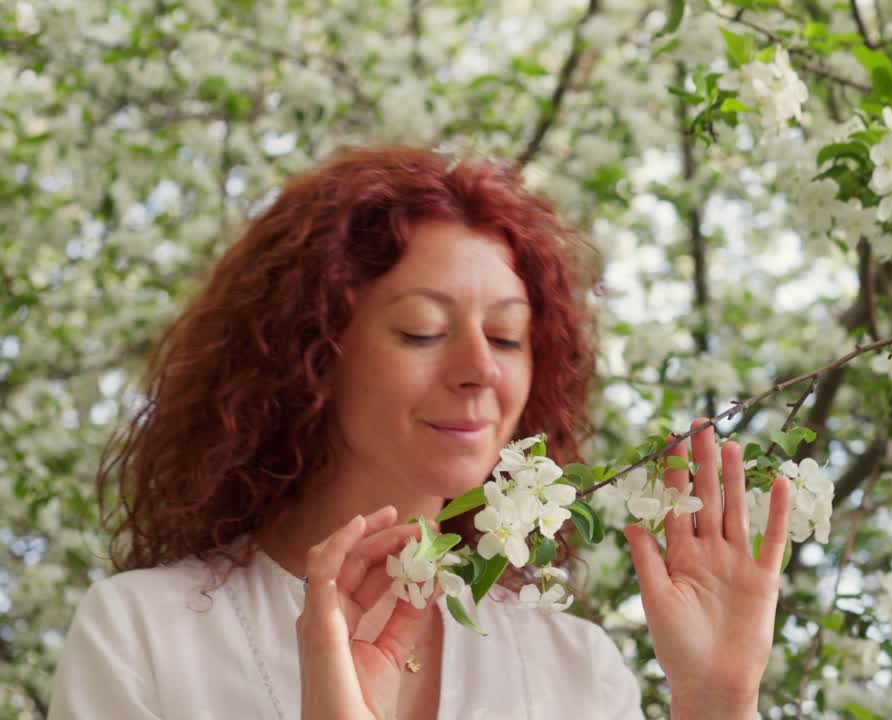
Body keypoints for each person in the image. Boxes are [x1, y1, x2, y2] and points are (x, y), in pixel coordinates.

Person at [47, 146, 792, 719]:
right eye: (422, 331)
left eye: (506, 339)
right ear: (312, 353)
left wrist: (717, 703)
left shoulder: (573, 667)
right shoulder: (145, 633)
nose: (480, 372)